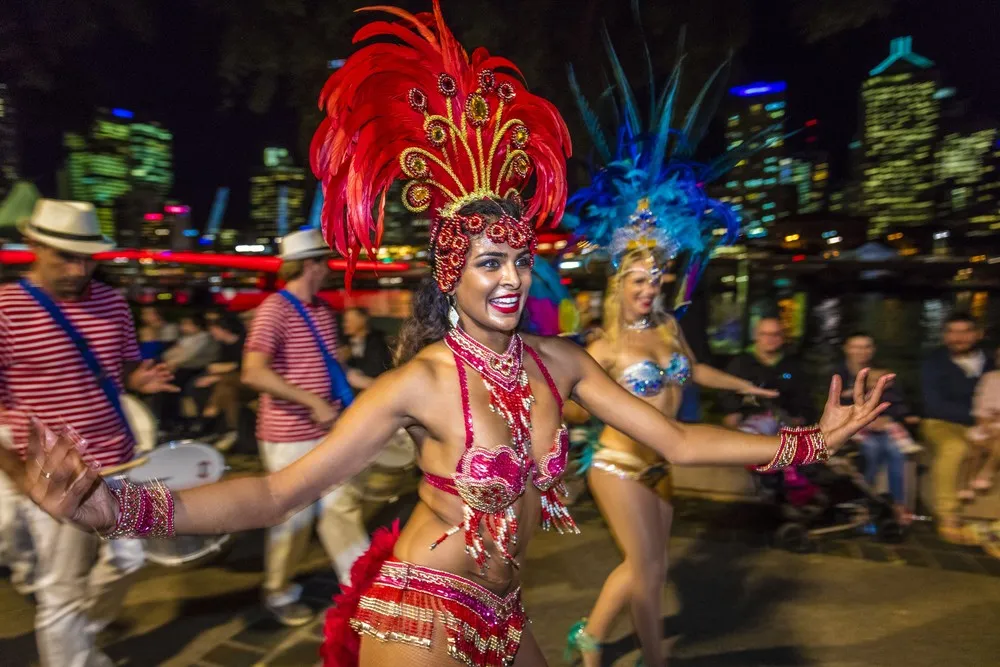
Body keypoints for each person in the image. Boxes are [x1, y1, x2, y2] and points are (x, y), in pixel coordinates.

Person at [0, 5, 892, 667]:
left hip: (506, 615)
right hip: (420, 617)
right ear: (450, 275)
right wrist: (108, 506)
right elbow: (278, 496)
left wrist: (814, 439)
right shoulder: (423, 380)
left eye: (519, 257)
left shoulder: (562, 361)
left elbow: (679, 438)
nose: (508, 277)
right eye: (487, 262)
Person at [555, 33, 778, 666]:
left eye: (657, 279)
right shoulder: (599, 347)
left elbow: (694, 368)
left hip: (662, 467)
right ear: (617, 281)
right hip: (619, 469)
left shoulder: (670, 327)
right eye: (639, 280)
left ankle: (591, 636)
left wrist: (745, 387)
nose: (651, 289)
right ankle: (656, 660)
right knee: (649, 572)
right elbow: (571, 402)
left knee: (642, 566)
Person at [0, 199, 175, 667]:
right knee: (61, 590)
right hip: (52, 474)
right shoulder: (6, 309)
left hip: (120, 459)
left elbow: (122, 370)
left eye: (87, 257)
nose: (79, 269)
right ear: (34, 245)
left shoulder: (112, 302)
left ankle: (82, 636)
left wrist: (142, 380)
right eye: (65, 257)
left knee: (131, 560)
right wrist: (19, 475)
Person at [240, 227, 370, 626]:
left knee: (341, 508)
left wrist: (382, 387)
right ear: (311, 264)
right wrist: (311, 401)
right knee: (293, 518)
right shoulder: (274, 309)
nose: (330, 269)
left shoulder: (321, 311)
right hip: (287, 436)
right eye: (325, 261)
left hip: (326, 432)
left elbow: (337, 371)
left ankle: (363, 587)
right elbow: (253, 372)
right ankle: (277, 593)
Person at [921, 312, 995, 544]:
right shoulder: (934, 363)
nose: (958, 338)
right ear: (944, 336)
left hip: (989, 424)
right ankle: (948, 515)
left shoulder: (992, 361)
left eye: (964, 332)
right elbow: (935, 405)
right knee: (954, 448)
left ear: (977, 334)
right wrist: (980, 417)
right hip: (942, 422)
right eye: (952, 332)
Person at [836, 332, 920, 524]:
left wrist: (889, 417)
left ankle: (898, 504)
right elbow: (834, 406)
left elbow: (897, 401)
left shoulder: (882, 372)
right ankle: (864, 501)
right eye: (856, 347)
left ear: (872, 350)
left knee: (896, 450)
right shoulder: (838, 374)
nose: (861, 352)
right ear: (846, 349)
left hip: (882, 425)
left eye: (866, 347)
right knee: (872, 449)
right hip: (853, 427)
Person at [720, 316, 816, 429]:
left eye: (776, 334)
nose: (770, 339)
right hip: (746, 423)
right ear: (756, 336)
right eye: (764, 334)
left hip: (784, 424)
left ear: (783, 337)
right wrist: (733, 414)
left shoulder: (793, 366)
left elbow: (804, 399)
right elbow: (727, 395)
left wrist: (800, 419)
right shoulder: (740, 363)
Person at [189, 312, 248, 449]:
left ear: (225, 329)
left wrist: (218, 375)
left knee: (222, 383)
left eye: (214, 329)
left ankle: (208, 419)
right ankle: (229, 431)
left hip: (249, 383)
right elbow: (215, 366)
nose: (211, 333)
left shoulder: (245, 343)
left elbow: (244, 367)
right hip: (231, 384)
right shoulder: (223, 346)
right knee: (225, 390)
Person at [342, 306, 393, 391]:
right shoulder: (344, 342)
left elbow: (375, 368)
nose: (345, 324)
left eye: (350, 321)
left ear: (363, 319)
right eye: (345, 321)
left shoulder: (378, 341)